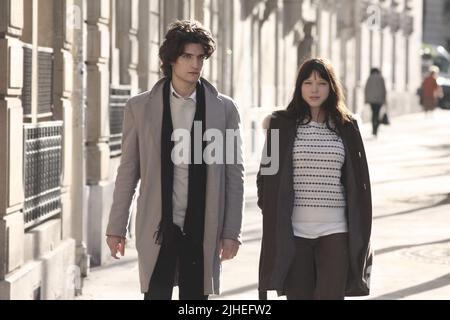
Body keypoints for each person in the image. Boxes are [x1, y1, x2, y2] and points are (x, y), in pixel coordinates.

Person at [105, 20, 244, 300]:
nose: (195, 64)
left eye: (200, 58)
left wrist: (231, 231)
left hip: (203, 226)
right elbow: (129, 171)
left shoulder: (224, 109)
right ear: (171, 60)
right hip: (158, 227)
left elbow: (233, 174)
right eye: (187, 56)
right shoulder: (140, 107)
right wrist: (116, 227)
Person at [257, 58, 373, 300]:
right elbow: (264, 179)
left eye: (321, 83)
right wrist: (272, 211)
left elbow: (359, 182)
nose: (314, 89)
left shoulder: (347, 127)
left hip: (335, 231)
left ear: (331, 88)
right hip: (294, 234)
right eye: (308, 82)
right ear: (299, 87)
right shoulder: (280, 125)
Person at [364, 68, 386, 137]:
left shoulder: (369, 78)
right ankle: (375, 128)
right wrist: (384, 99)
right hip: (379, 100)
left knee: (374, 114)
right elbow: (384, 89)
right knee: (377, 113)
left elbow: (366, 89)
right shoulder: (381, 78)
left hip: (371, 100)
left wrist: (366, 99)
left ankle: (374, 128)